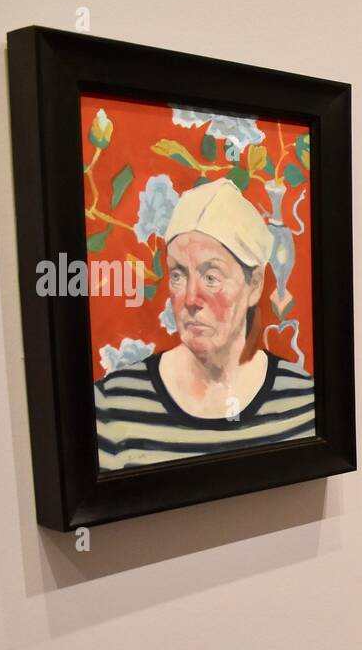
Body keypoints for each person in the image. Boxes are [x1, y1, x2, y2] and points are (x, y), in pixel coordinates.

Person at [95, 178, 316, 471]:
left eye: (211, 277)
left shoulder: (302, 401)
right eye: (178, 275)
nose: (190, 298)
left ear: (254, 286)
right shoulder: (113, 405)